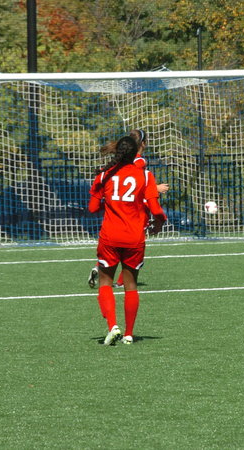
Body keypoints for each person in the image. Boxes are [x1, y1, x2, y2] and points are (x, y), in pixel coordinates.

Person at [88, 136, 167, 345]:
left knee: (105, 282)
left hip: (110, 236)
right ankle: (129, 334)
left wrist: (110, 204)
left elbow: (92, 208)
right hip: (134, 238)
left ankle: (113, 326)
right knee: (131, 285)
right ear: (136, 153)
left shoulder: (105, 174)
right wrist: (160, 222)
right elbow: (156, 209)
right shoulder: (146, 176)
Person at [87, 129, 169, 288]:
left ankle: (102, 268)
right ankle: (119, 281)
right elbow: (134, 182)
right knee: (131, 247)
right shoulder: (139, 162)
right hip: (135, 208)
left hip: (123, 208)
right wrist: (155, 188)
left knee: (117, 246)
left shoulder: (122, 162)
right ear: (143, 144)